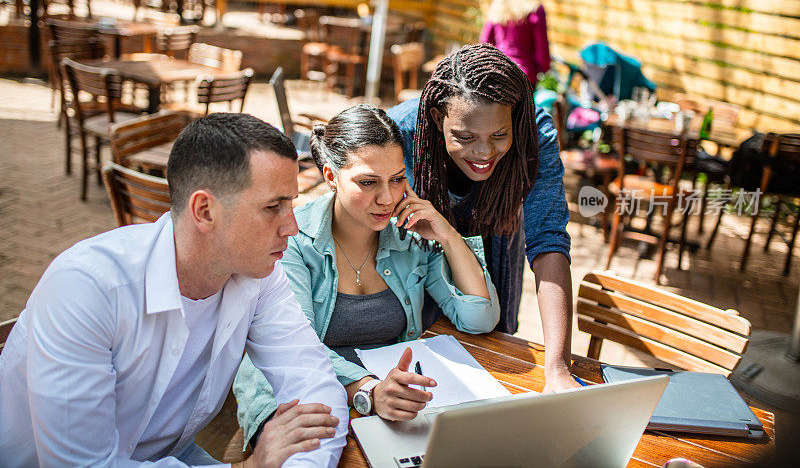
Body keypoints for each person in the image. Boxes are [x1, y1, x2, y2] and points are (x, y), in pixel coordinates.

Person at [0, 114, 349, 467]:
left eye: (292, 204)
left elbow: (315, 386)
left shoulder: (257, 273)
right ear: (204, 210)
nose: (291, 226)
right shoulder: (87, 289)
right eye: (273, 207)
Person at [234, 105, 499, 448]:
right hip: (295, 398)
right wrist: (369, 391)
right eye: (368, 182)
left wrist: (447, 235)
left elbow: (479, 318)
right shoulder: (294, 241)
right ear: (331, 177)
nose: (387, 198)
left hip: (389, 404)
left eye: (398, 179)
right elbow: (294, 350)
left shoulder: (410, 236)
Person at [387, 43, 579, 392]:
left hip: (495, 257)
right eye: (465, 137)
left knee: (488, 359)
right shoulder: (400, 133)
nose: (484, 152)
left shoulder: (534, 136)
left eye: (499, 135)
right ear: (435, 117)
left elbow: (548, 240)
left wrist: (558, 370)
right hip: (418, 267)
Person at [480, 0, 553, 85]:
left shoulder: (500, 0)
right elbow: (542, 53)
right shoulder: (535, 8)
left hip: (497, 72)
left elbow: (485, 41)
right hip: (523, 78)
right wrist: (545, 68)